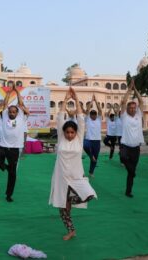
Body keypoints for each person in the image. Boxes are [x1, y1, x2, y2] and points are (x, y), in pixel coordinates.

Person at [49, 87, 97, 241]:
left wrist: (76, 99)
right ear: (64, 132)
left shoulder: (79, 139)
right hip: (61, 177)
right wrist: (65, 99)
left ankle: (69, 200)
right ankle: (71, 231)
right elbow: (61, 117)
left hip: (76, 177)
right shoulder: (61, 139)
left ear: (76, 132)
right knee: (62, 209)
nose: (70, 134)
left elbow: (81, 119)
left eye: (72, 132)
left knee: (89, 195)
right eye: (67, 132)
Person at [0, 86, 29, 202]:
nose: (12, 113)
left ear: (17, 113)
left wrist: (17, 91)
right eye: (10, 111)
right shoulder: (3, 116)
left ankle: (9, 195)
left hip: (15, 149)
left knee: (12, 174)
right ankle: (4, 166)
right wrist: (8, 93)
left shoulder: (22, 117)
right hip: (3, 146)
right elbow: (4, 104)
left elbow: (21, 104)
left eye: (14, 112)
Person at [119, 80, 144, 198]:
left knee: (130, 172)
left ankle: (128, 191)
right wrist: (129, 89)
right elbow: (123, 102)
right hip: (125, 145)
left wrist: (136, 90)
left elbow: (141, 101)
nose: (133, 109)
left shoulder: (139, 115)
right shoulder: (124, 116)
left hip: (136, 148)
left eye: (134, 108)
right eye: (131, 108)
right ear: (128, 109)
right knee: (123, 158)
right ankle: (132, 172)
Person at [83, 94, 102, 177]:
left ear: (96, 115)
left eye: (95, 114)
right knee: (85, 145)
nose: (94, 116)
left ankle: (91, 172)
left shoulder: (99, 119)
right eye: (92, 114)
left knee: (95, 158)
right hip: (88, 139)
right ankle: (91, 156)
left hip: (97, 141)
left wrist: (96, 101)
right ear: (90, 115)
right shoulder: (88, 119)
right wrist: (91, 101)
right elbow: (87, 110)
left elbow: (100, 110)